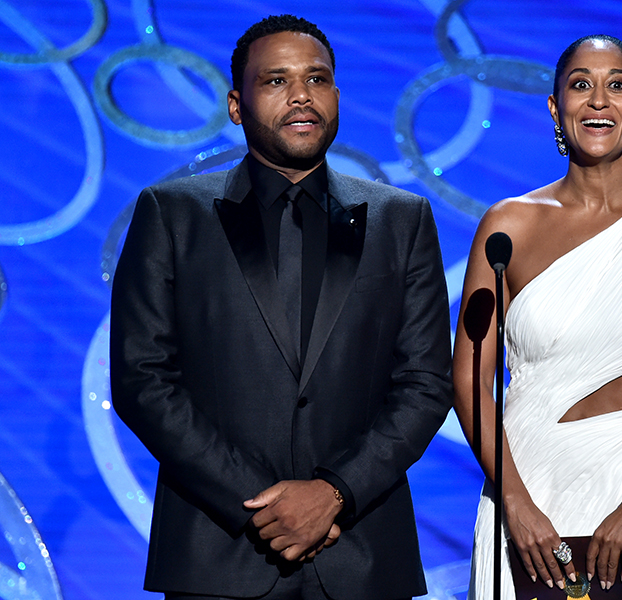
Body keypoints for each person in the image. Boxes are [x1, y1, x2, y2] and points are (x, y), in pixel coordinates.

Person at [109, 14, 453, 600]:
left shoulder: (402, 219)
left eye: (317, 79)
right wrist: (262, 504)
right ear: (237, 105)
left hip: (362, 551)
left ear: (337, 96)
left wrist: (335, 492)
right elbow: (143, 379)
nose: (301, 95)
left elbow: (424, 382)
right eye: (276, 81)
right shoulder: (172, 214)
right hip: (218, 552)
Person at [453, 35, 622, 599]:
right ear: (556, 108)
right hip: (529, 486)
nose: (599, 101)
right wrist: (514, 501)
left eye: (617, 86)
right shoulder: (508, 225)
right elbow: (468, 379)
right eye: (581, 85)